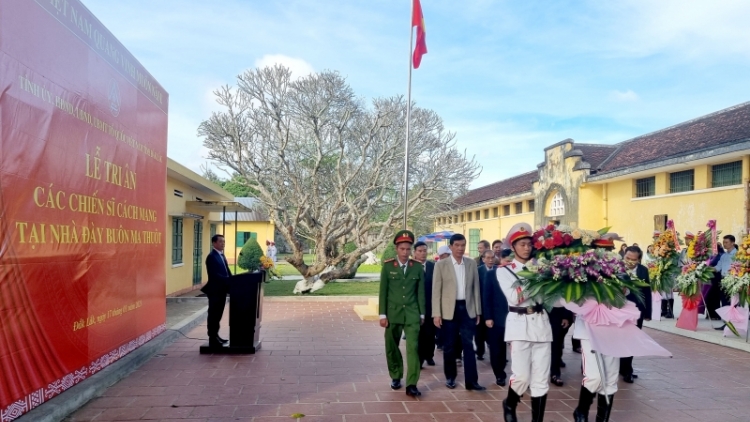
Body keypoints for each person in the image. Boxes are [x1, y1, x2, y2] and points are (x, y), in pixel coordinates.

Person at [499, 223, 553, 422]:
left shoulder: (543, 269)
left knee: (540, 379)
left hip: (541, 324)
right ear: (513, 248)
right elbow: (515, 297)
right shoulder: (504, 271)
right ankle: (510, 403)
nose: (526, 247)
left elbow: (552, 298)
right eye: (521, 244)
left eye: (529, 243)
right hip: (519, 324)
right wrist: (535, 277)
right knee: (521, 377)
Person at [432, 233, 485, 391]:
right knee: (449, 345)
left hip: (467, 309)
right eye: (457, 245)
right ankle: (450, 377)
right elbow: (436, 291)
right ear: (451, 247)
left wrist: (478, 311)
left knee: (469, 345)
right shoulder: (441, 265)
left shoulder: (470, 264)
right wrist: (437, 313)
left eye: (463, 245)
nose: (460, 249)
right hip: (449, 310)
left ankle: (472, 381)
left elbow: (476, 289)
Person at [378, 230, 425, 397]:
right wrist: (382, 315)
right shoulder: (388, 266)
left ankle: (412, 383)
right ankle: (396, 375)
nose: (405, 252)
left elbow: (420, 292)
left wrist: (422, 314)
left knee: (413, 348)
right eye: (402, 249)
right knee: (391, 347)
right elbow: (383, 292)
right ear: (396, 249)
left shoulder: (417, 267)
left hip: (412, 314)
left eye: (408, 249)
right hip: (393, 314)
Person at [619, 245, 652, 383]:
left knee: (632, 340)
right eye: (627, 258)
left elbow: (646, 292)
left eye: (633, 260)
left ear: (639, 260)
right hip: (618, 310)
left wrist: (647, 312)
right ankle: (617, 367)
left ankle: (627, 370)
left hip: (636, 311)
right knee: (618, 339)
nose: (630, 262)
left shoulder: (643, 271)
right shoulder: (615, 268)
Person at [482, 249, 509, 386]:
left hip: (514, 317)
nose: (508, 264)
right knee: (496, 348)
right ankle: (499, 374)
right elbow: (487, 296)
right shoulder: (492, 274)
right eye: (506, 261)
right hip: (496, 317)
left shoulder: (520, 274)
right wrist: (488, 317)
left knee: (511, 349)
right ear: (501, 260)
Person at [201, 234, 232, 347]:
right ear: (214, 243)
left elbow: (227, 271)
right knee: (214, 314)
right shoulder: (211, 257)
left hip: (222, 290)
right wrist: (228, 280)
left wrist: (233, 280)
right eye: (220, 242)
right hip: (215, 291)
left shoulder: (221, 256)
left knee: (218, 315)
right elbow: (215, 275)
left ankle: (216, 335)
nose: (223, 243)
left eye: (224, 241)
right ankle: (212, 337)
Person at [414, 241, 437, 367]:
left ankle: (429, 355)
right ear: (415, 253)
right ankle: (420, 358)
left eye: (424, 251)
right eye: (420, 251)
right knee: (419, 334)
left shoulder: (433, 266)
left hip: (431, 306)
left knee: (430, 333)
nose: (423, 253)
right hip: (416, 307)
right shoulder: (411, 267)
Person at [475, 250, 495, 361]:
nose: (490, 260)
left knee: (493, 332)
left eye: (492, 257)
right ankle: (480, 351)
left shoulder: (498, 270)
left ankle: (494, 353)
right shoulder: (478, 271)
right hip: (480, 305)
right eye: (488, 258)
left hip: (493, 306)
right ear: (483, 259)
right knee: (479, 332)